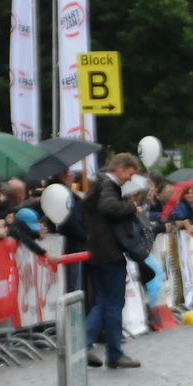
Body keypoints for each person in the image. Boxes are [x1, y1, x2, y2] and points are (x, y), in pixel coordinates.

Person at [83, 153, 144, 370]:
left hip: (98, 251)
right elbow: (108, 207)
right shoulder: (108, 186)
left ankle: (89, 347)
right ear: (119, 168)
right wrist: (131, 208)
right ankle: (109, 351)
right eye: (129, 172)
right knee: (112, 303)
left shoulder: (98, 184)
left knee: (102, 301)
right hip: (109, 251)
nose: (130, 177)